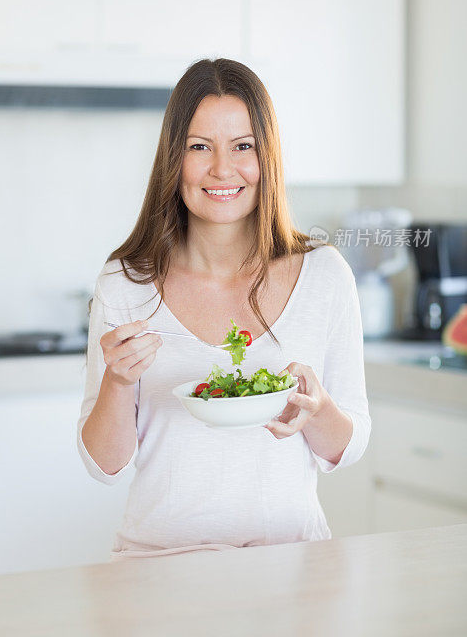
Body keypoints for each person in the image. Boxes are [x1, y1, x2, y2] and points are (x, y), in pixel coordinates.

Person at [77, 58, 371, 560]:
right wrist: (118, 382)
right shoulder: (125, 285)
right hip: (159, 567)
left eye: (242, 147)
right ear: (174, 158)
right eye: (199, 147)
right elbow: (104, 465)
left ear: (267, 157)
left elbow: (347, 447)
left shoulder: (324, 275)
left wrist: (317, 410)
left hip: (293, 564)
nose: (221, 169)